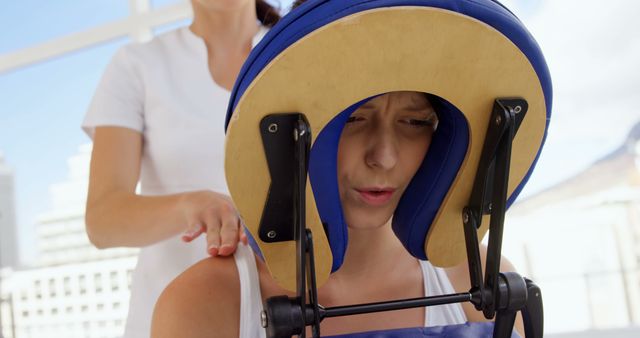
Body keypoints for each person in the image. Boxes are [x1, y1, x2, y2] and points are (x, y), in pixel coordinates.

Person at [151, 91, 525, 337]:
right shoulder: (208, 301)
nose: (384, 157)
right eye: (353, 119)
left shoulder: (479, 279)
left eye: (415, 122)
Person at [82, 1, 281, 336]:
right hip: (166, 319)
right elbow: (103, 219)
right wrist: (191, 205)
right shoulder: (137, 66)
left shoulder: (298, 53)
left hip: (284, 316)